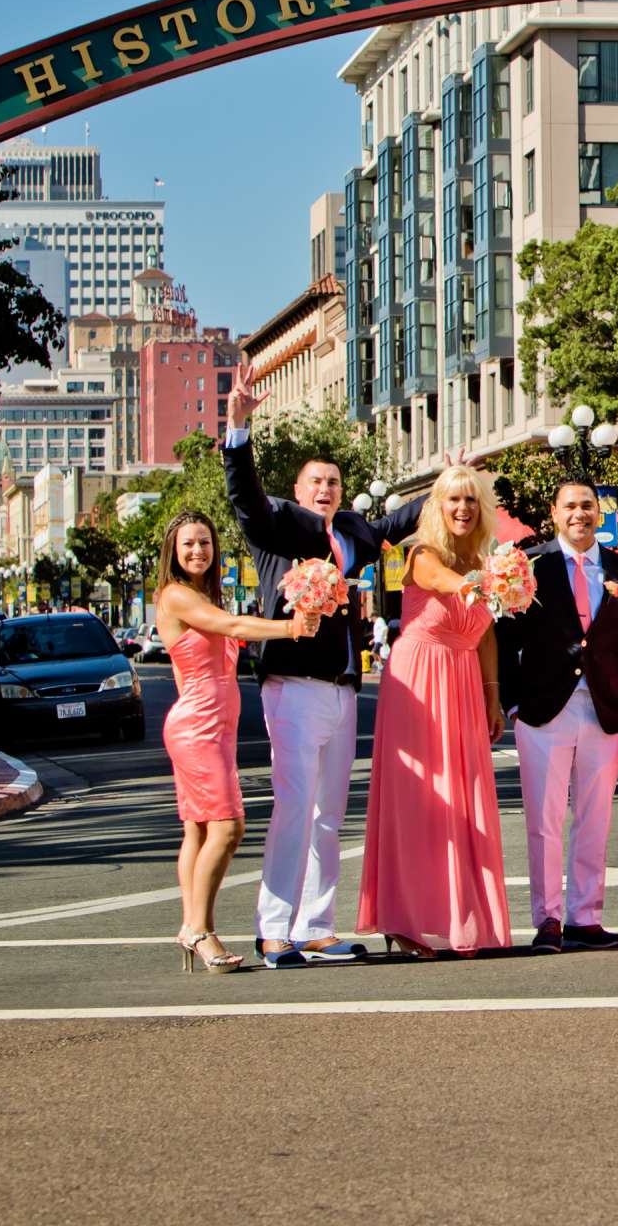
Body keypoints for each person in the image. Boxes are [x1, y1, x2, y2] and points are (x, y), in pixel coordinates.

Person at [222, 361, 425, 967]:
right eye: (317, 481)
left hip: (341, 688)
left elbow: (396, 523)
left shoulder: (355, 532)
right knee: (293, 807)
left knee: (330, 814)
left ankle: (316, 925)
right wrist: (237, 432)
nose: (327, 489)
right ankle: (272, 929)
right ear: (300, 487)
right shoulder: (282, 524)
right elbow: (245, 498)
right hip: (292, 684)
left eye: (334, 481)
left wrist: (449, 485)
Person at [152, 511, 322, 975]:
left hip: (212, 726)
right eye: (187, 544)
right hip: (198, 727)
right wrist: (289, 628)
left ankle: (196, 927)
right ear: (173, 550)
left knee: (198, 831)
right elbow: (230, 628)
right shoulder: (177, 595)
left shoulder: (203, 594)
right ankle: (197, 929)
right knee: (227, 828)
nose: (197, 552)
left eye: (204, 543)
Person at [357, 466, 512, 958]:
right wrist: (473, 585)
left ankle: (459, 913)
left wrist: (492, 697)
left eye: (470, 500)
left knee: (462, 799)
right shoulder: (423, 554)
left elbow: (485, 632)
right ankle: (402, 917)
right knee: (419, 801)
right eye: (453, 501)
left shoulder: (484, 560)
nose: (463, 508)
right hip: (421, 679)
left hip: (464, 677)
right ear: (438, 508)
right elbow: (440, 581)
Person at [496, 478, 618, 953]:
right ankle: (549, 919)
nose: (580, 514)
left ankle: (585, 916)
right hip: (543, 710)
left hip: (604, 708)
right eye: (570, 507)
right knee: (543, 819)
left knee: (596, 815)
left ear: (599, 514)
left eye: (588, 506)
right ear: (555, 513)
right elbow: (503, 636)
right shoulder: (529, 565)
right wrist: (513, 703)